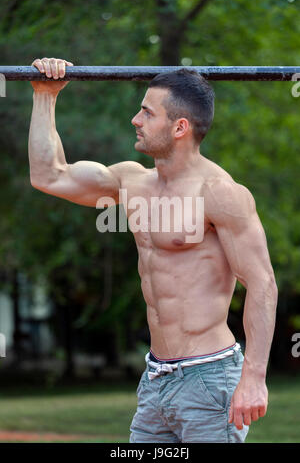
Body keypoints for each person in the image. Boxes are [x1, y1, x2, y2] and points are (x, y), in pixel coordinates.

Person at [28, 57, 278, 443]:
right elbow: (49, 174)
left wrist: (255, 379)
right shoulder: (131, 181)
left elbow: (261, 284)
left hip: (210, 380)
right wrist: (45, 97)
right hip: (156, 379)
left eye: (147, 112)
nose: (135, 120)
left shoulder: (219, 194)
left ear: (179, 127)